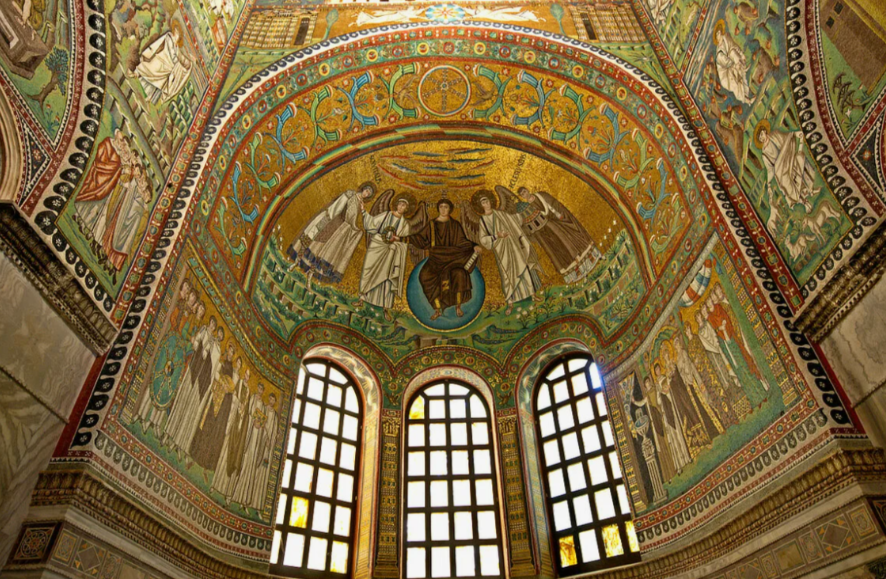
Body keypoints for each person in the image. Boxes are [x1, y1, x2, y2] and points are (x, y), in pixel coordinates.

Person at [289, 182, 376, 289]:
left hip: (337, 229)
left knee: (320, 252)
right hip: (329, 220)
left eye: (368, 194)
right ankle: (296, 263)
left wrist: (356, 228)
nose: (366, 194)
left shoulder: (359, 204)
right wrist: (330, 216)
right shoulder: (350, 194)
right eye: (366, 191)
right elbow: (337, 206)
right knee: (309, 240)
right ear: (363, 189)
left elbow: (351, 220)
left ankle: (309, 276)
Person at [404, 199, 480, 320]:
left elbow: (463, 241)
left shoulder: (455, 225)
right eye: (441, 207)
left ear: (450, 209)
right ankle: (437, 309)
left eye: (446, 207)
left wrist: (474, 245)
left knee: (459, 274)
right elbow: (419, 238)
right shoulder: (432, 225)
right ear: (438, 208)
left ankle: (458, 307)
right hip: (435, 259)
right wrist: (402, 239)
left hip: (453, 259)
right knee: (425, 276)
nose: (443, 209)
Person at [474, 191, 543, 315]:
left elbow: (514, 220)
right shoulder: (483, 221)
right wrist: (497, 235)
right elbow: (483, 239)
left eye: (487, 201)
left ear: (491, 201)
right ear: (480, 205)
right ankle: (510, 303)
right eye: (483, 202)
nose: (486, 203)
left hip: (512, 244)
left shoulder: (500, 214)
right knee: (507, 275)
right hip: (500, 249)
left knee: (523, 267)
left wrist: (522, 213)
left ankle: (533, 295)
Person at [515, 186, 602, 283]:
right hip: (546, 229)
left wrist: (557, 214)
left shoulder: (540, 195)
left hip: (556, 219)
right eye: (522, 194)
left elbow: (553, 204)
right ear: (521, 197)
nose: (524, 194)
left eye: (524, 191)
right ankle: (577, 270)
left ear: (527, 190)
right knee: (560, 249)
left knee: (570, 237)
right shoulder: (527, 208)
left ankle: (591, 257)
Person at [354, 197, 412, 321]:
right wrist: (363, 211)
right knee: (368, 271)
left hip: (391, 251)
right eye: (400, 204)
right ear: (396, 205)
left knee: (387, 277)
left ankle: (385, 308)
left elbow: (405, 241)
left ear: (406, 209)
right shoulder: (386, 215)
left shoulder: (405, 224)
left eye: (404, 206)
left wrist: (397, 240)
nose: (401, 207)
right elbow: (372, 223)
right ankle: (361, 299)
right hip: (377, 245)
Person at [754, 121, 819, 212]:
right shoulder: (764, 154)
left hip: (788, 159)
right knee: (788, 186)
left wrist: (795, 134)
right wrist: (768, 185)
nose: (762, 138)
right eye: (760, 138)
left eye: (761, 134)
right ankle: (804, 203)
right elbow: (770, 170)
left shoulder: (775, 135)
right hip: (780, 172)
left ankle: (810, 190)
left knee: (800, 160)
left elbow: (787, 137)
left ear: (765, 131)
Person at [132, 20, 192, 104]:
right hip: (161, 60)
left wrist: (185, 62)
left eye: (178, 33)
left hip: (167, 68)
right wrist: (149, 53)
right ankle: (136, 74)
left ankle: (150, 96)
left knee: (160, 84)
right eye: (175, 31)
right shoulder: (169, 37)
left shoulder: (177, 49)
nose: (176, 34)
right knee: (149, 69)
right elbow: (159, 44)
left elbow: (180, 60)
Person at [713, 20, 753, 104]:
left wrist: (741, 55)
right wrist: (736, 66)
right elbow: (727, 63)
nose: (718, 35)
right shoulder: (719, 53)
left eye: (719, 32)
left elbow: (734, 46)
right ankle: (747, 100)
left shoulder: (726, 37)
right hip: (726, 75)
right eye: (716, 34)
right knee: (736, 84)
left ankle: (747, 91)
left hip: (733, 64)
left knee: (732, 52)